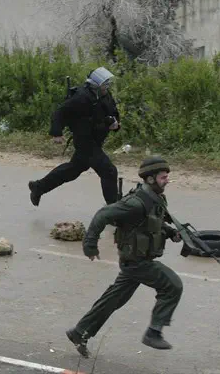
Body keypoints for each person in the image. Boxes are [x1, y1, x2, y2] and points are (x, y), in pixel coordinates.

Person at [66, 157, 183, 357]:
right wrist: (90, 244)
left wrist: (171, 232)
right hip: (136, 262)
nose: (167, 181)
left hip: (138, 260)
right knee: (173, 285)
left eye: (167, 177)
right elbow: (103, 214)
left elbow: (152, 222)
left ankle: (79, 332)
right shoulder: (135, 203)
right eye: (163, 177)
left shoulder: (156, 198)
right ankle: (153, 332)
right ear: (151, 179)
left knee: (113, 300)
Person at [28, 67, 121, 206]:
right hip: (85, 141)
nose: (107, 86)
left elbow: (113, 113)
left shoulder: (106, 95)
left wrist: (115, 124)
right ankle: (114, 210)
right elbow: (59, 113)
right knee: (109, 171)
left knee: (73, 170)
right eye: (104, 84)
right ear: (95, 85)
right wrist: (57, 133)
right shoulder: (81, 98)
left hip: (96, 140)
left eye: (108, 83)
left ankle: (39, 187)